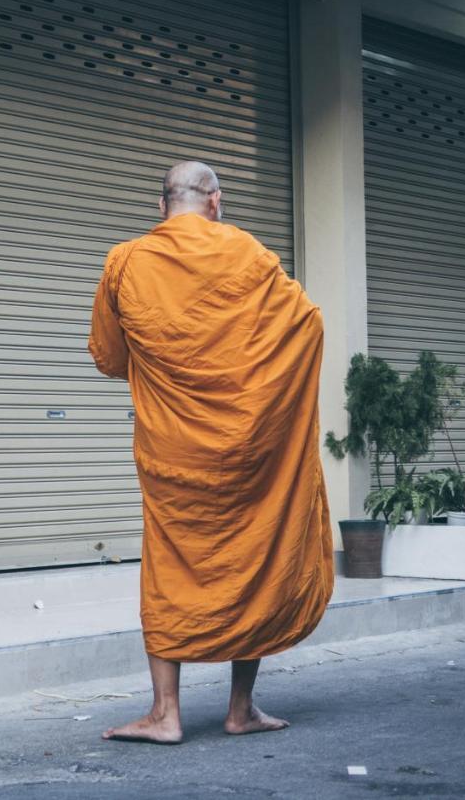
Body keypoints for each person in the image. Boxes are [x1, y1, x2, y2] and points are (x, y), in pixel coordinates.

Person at [88, 161, 334, 744]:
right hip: (251, 447)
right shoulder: (250, 256)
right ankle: (240, 709)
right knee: (251, 557)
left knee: (169, 567)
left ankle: (164, 714)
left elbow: (106, 354)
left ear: (162, 205)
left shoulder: (126, 262)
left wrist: (160, 373)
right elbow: (308, 326)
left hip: (171, 449)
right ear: (215, 202)